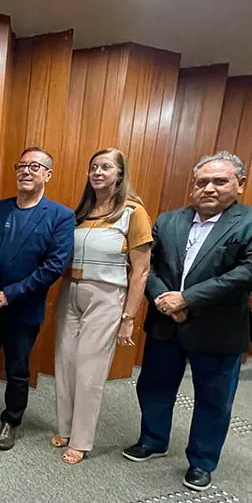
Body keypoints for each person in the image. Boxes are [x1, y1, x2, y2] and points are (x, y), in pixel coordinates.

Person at [124, 151, 252, 490]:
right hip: (166, 322)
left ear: (240, 184)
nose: (209, 188)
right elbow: (146, 266)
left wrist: (188, 299)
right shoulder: (168, 221)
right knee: (153, 385)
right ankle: (153, 440)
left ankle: (202, 461)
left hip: (218, 329)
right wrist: (164, 299)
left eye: (219, 181)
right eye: (202, 182)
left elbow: (251, 273)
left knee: (213, 397)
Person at [0, 146, 74, 450]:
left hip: (23, 307)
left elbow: (53, 268)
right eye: (21, 165)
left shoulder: (61, 216)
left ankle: (11, 420)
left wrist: (9, 295)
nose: (25, 171)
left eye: (34, 167)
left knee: (17, 369)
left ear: (48, 175)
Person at [54, 148, 153, 465]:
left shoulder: (133, 212)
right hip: (71, 291)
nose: (97, 172)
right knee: (66, 363)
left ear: (120, 174)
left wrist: (128, 317)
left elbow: (141, 271)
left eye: (106, 167)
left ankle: (82, 440)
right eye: (93, 166)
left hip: (107, 295)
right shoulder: (80, 213)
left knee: (90, 370)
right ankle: (65, 428)